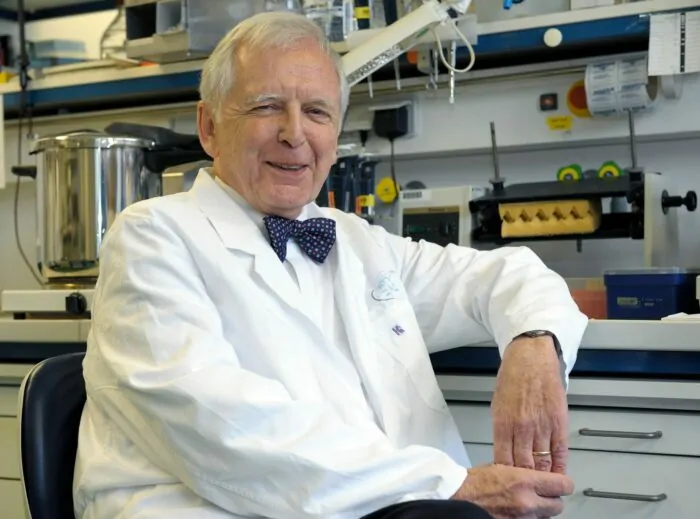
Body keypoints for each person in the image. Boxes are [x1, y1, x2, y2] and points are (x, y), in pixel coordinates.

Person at [73, 11, 588, 519]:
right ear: (209, 127)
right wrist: (452, 486)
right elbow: (224, 429)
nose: (294, 133)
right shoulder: (154, 237)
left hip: (392, 507)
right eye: (267, 107)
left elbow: (510, 275)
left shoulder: (355, 241)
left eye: (317, 112)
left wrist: (534, 345)